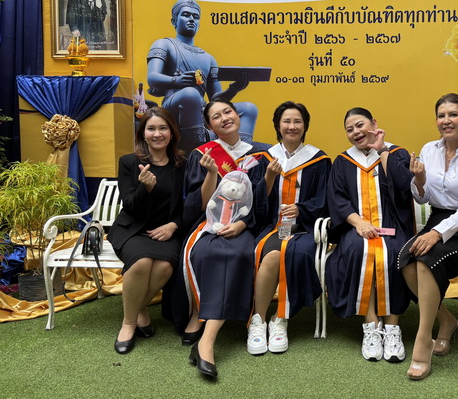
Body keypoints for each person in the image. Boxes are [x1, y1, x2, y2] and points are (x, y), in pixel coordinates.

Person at [398, 93, 458, 381]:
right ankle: (446, 321)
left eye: (453, 114)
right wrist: (419, 180)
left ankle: (423, 339)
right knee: (405, 259)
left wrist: (437, 234)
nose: (446, 121)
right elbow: (422, 198)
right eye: (441, 115)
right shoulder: (429, 149)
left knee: (426, 261)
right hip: (437, 219)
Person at [177, 99, 265, 379]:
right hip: (210, 222)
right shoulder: (203, 155)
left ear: (237, 115)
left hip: (245, 225)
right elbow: (200, 205)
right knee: (207, 251)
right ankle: (199, 315)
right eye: (216, 116)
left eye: (228, 112)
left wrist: (242, 224)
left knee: (238, 253)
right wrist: (212, 173)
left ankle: (206, 340)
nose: (225, 118)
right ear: (209, 126)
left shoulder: (259, 155)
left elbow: (263, 201)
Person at [326, 107, 414, 363]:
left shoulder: (396, 153)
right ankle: (371, 325)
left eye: (360, 125)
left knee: (394, 253)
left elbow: (404, 187)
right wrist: (358, 223)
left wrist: (382, 150)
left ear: (374, 123)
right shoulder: (343, 161)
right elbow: (338, 198)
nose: (355, 132)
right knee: (360, 250)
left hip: (393, 226)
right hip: (357, 227)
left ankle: (393, 327)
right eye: (349, 129)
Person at [249, 101, 331, 355]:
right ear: (278, 126)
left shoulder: (318, 160)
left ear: (305, 126)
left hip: (303, 227)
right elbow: (254, 202)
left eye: (297, 121)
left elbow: (324, 200)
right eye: (287, 121)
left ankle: (280, 318)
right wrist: (269, 177)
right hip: (273, 226)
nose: (292, 126)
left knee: (296, 252)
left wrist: (301, 209)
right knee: (272, 255)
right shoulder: (265, 158)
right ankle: (259, 320)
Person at [108, 107, 186, 355]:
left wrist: (174, 225)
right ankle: (129, 323)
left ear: (172, 133)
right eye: (151, 129)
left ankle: (138, 307)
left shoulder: (182, 165)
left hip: (167, 232)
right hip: (133, 230)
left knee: (164, 267)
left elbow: (190, 205)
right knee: (142, 263)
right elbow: (130, 206)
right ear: (143, 133)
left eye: (163, 128)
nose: (157, 134)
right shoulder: (129, 162)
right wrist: (146, 188)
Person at [146, 0, 257, 153]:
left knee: (248, 108)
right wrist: (176, 81)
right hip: (175, 103)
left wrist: (233, 89)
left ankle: (238, 153)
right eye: (186, 15)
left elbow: (215, 100)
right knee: (191, 94)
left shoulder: (208, 58)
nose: (191, 19)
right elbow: (152, 78)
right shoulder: (164, 44)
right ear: (174, 21)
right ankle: (196, 149)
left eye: (195, 17)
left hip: (202, 107)